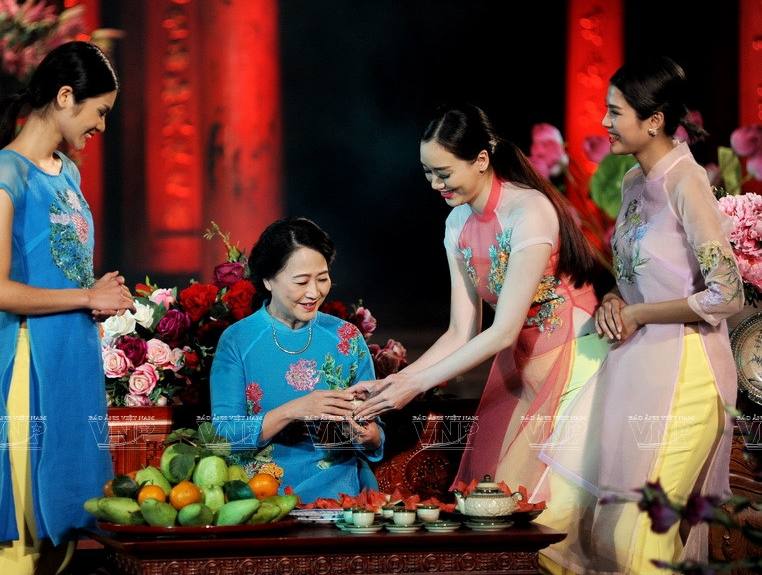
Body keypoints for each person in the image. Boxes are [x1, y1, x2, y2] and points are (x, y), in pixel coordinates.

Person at [538, 56, 744, 575]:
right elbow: (637, 272)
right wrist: (614, 298)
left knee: (638, 541)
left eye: (615, 112)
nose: (604, 122)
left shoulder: (687, 183)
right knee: (570, 524)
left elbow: (726, 293)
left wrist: (640, 313)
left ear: (653, 120)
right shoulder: (633, 180)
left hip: (686, 374)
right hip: (633, 366)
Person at [352, 103, 609, 495]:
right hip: (523, 363)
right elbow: (461, 331)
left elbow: (503, 331)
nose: (435, 184)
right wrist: (397, 382)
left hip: (573, 356)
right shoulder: (457, 223)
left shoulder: (529, 210)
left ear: (482, 161)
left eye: (444, 173)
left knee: (549, 498)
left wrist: (416, 383)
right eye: (427, 173)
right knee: (504, 495)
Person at [0, 41, 134, 575]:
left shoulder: (68, 172)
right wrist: (88, 297)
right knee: (22, 548)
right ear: (66, 97)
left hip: (75, 364)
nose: (102, 126)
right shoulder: (7, 170)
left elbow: (59, 270)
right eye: (100, 112)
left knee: (66, 541)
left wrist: (98, 296)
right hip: (32, 366)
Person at [210, 217, 385, 504]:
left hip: (340, 493)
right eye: (301, 281)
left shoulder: (346, 336)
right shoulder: (238, 340)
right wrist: (295, 410)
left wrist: (368, 435)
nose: (314, 292)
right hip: (261, 495)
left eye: (322, 278)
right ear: (268, 280)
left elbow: (375, 435)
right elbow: (224, 436)